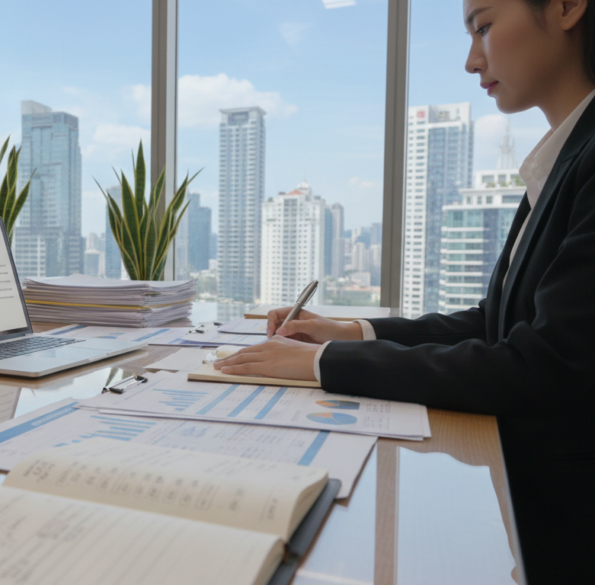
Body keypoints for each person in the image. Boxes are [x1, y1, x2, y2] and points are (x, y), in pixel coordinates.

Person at [213, 0, 595, 582]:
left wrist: (323, 362)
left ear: (568, 7)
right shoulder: (564, 158)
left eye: (484, 26)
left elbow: (540, 367)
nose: (472, 61)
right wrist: (351, 331)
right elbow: (495, 323)